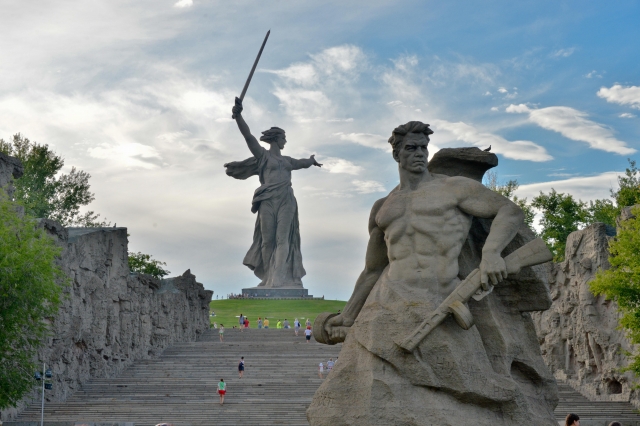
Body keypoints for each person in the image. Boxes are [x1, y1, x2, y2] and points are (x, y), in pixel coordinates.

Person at [307, 122, 558, 425]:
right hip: (386, 303)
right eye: (411, 148)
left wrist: (492, 253)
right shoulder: (383, 208)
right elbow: (373, 269)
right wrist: (348, 316)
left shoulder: (453, 189)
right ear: (396, 154)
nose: (420, 154)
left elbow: (509, 211)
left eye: (424, 148)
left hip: (441, 300)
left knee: (476, 384)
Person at [226, 98, 322, 288]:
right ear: (276, 139)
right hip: (267, 200)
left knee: (283, 239)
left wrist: (311, 161)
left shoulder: (288, 161)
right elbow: (248, 137)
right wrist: (238, 117)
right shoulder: (263, 156)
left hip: (286, 199)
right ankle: (267, 276)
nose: (285, 141)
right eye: (284, 137)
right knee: (267, 241)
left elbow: (303, 163)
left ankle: (278, 277)